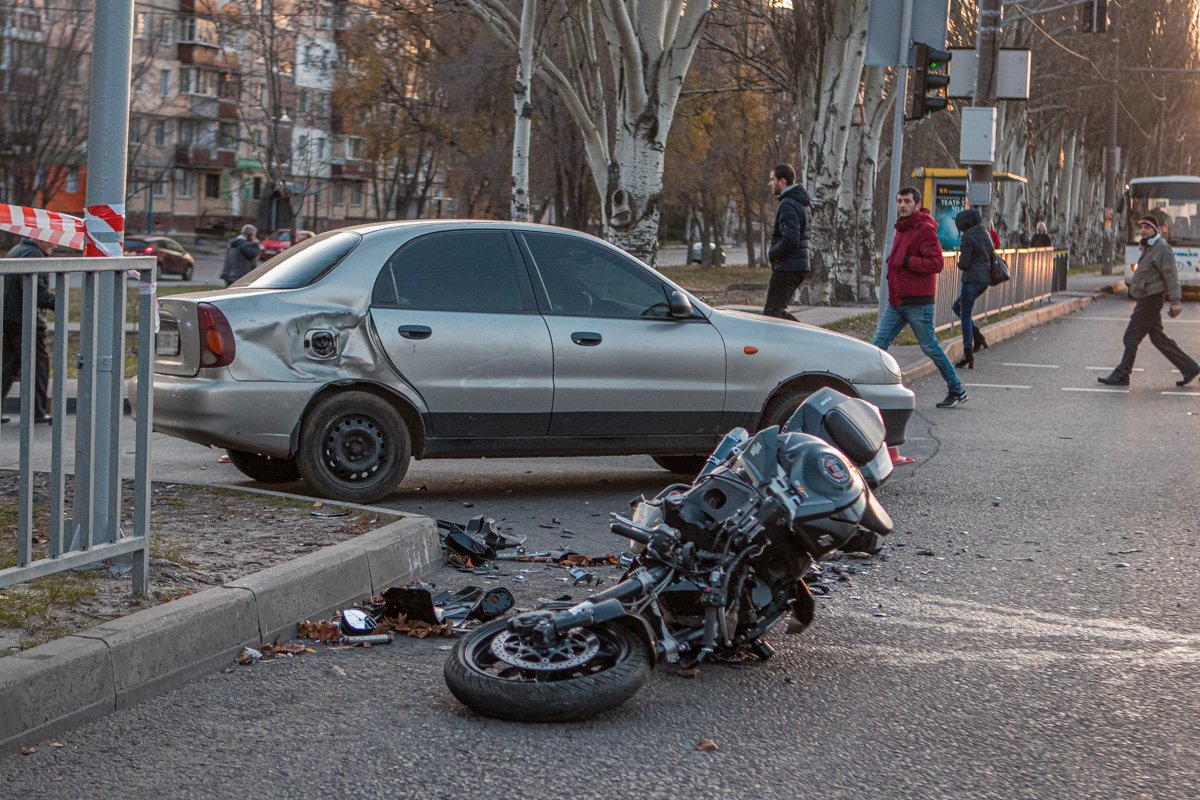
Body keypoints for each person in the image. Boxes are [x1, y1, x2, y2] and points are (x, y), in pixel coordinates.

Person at [872, 187, 967, 408]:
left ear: (917, 204)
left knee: (930, 347)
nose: (902, 205)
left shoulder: (924, 229)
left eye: (906, 201)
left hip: (918, 303)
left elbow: (936, 263)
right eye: (899, 201)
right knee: (877, 346)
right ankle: (863, 387)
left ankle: (956, 388)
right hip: (897, 302)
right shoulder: (902, 228)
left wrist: (907, 262)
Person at [1097, 217, 1199, 387]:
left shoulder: (1162, 249)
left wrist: (1176, 301)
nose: (1143, 230)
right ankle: (1190, 368)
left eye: (1147, 227)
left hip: (1151, 300)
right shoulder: (1149, 247)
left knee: (1131, 336)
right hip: (1147, 298)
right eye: (1141, 227)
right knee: (1158, 339)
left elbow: (1171, 275)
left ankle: (1123, 374)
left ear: (1155, 229)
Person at [2, 237, 56, 424]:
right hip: (26, 321)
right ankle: (37, 412)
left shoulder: (17, 250)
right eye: (51, 241)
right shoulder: (34, 255)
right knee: (38, 367)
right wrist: (58, 301)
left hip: (9, 319)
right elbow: (37, 293)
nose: (54, 245)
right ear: (38, 238)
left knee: (7, 367)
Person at [763, 163, 810, 321]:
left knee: (772, 313)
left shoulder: (788, 205)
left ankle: (805, 339)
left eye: (772, 179)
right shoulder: (797, 202)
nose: (770, 183)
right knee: (776, 312)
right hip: (796, 266)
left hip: (788, 268)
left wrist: (772, 253)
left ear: (782, 181)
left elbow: (791, 239)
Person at [952, 208, 992, 369]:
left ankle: (968, 353)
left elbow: (964, 263)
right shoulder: (985, 233)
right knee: (958, 307)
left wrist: (958, 261)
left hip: (971, 280)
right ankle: (978, 336)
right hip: (985, 279)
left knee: (964, 314)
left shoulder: (967, 237)